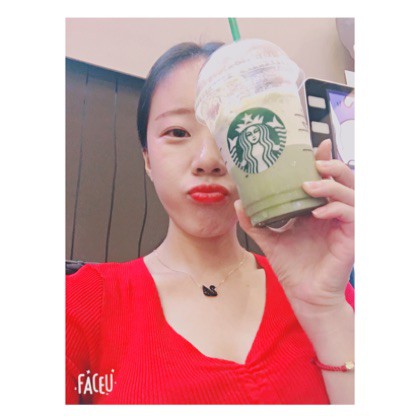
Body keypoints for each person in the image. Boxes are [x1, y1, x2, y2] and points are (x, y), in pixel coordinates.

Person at [66, 41, 355, 405]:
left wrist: (323, 308)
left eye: (226, 132)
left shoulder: (328, 290)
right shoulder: (80, 304)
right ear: (148, 160)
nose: (208, 160)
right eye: (178, 132)